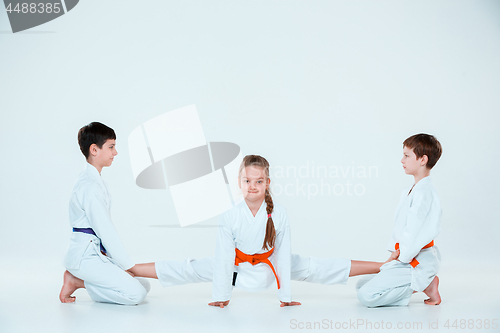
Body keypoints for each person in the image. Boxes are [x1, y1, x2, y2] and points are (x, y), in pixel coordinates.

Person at [129, 155, 398, 307]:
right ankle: (129, 268)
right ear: (239, 182)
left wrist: (285, 297)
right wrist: (222, 297)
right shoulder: (230, 215)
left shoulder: (278, 213)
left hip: (273, 267)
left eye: (258, 181)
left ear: (267, 183)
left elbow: (284, 253)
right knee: (189, 268)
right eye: (247, 180)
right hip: (236, 269)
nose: (252, 186)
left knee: (317, 267)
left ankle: (382, 266)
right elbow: (223, 258)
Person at [59, 122, 150, 305]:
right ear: (94, 149)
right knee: (136, 294)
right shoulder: (90, 187)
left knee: (143, 284)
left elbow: (103, 231)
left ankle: (79, 280)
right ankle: (77, 281)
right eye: (111, 147)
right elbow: (106, 231)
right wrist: (127, 265)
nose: (115, 152)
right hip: (84, 257)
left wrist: (116, 262)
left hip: (96, 252)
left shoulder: (94, 181)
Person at [356, 133, 443, 307]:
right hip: (405, 256)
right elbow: (401, 229)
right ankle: (422, 283)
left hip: (416, 261)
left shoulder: (424, 193)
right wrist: (393, 255)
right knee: (361, 285)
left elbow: (413, 232)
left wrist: (402, 257)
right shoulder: (412, 190)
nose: (402, 160)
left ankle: (427, 284)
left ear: (422, 160)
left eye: (406, 155)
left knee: (366, 296)